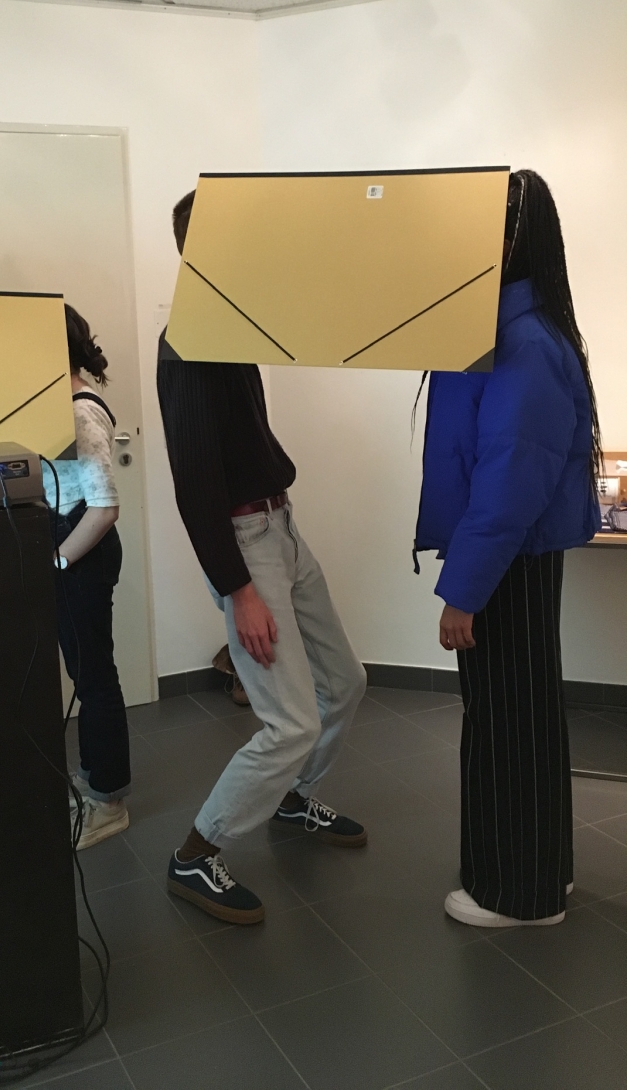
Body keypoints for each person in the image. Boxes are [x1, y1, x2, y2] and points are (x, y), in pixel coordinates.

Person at [156, 191, 368, 926]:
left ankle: (292, 798)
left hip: (282, 526)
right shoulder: (189, 341)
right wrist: (238, 589)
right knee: (292, 721)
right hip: (247, 542)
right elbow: (194, 485)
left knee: (346, 682)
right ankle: (195, 853)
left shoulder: (232, 328)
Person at [414, 169, 602, 928]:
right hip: (512, 558)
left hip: (505, 564)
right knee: (521, 715)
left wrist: (463, 592)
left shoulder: (521, 342)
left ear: (512, 240)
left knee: (506, 724)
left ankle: (518, 895)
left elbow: (508, 485)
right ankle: (540, 873)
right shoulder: (508, 329)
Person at [45, 305, 129, 850]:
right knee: (87, 673)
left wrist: (56, 561)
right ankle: (94, 777)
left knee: (95, 679)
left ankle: (109, 800)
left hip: (82, 555)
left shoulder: (80, 412)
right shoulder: (65, 406)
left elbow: (103, 508)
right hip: (74, 551)